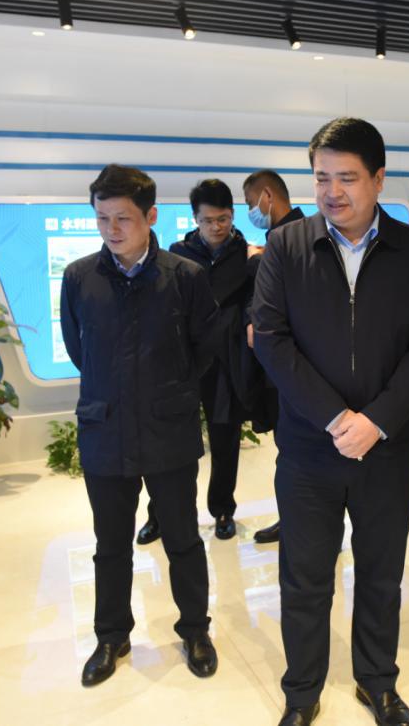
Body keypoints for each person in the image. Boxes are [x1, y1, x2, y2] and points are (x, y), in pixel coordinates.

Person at [252, 118, 409, 726]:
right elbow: (271, 340)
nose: (332, 192)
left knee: (382, 573)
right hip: (310, 449)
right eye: (321, 178)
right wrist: (337, 418)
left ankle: (377, 681)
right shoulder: (287, 246)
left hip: (387, 450)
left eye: (347, 178)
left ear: (378, 179)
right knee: (304, 577)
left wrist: (378, 421)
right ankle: (302, 691)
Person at [60, 164, 220, 687]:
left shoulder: (185, 277)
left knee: (182, 539)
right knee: (110, 544)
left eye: (122, 218)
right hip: (105, 428)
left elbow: (204, 350)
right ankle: (111, 636)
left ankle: (195, 630)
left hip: (167, 428)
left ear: (151, 216)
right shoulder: (79, 277)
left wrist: (164, 391)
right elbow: (80, 350)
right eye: (102, 218)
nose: (111, 229)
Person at [135, 179, 252, 545]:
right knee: (170, 442)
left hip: (226, 362)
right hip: (182, 361)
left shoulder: (246, 255)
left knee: (225, 438)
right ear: (195, 219)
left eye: (223, 219)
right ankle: (159, 514)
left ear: (232, 215)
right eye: (208, 220)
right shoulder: (177, 255)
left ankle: (223, 510)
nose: (216, 227)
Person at [240, 169, 307, 545]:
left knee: (298, 451)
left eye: (251, 203)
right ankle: (295, 519)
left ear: (267, 196)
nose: (251, 211)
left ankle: (304, 525)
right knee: (289, 450)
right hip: (279, 368)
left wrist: (257, 262)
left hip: (295, 367)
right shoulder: (277, 238)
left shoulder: (297, 238)